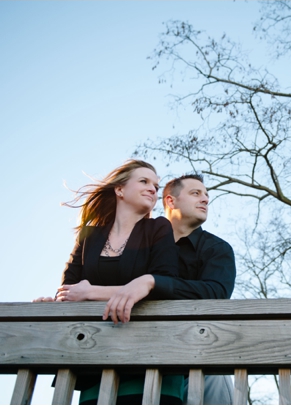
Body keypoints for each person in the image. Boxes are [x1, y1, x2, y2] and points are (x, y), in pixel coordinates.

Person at [34, 159, 186, 404]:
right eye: (144, 181)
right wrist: (54, 302)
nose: (153, 189)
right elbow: (71, 290)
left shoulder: (159, 228)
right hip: (94, 358)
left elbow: (164, 284)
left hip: (150, 358)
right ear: (120, 189)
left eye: (156, 186)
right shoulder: (89, 236)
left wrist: (91, 292)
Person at [160, 174, 237, 404]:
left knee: (215, 372)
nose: (205, 199)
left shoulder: (217, 249)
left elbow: (216, 293)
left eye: (206, 195)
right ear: (171, 201)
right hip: (143, 356)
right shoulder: (144, 246)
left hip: (202, 352)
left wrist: (155, 284)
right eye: (196, 193)